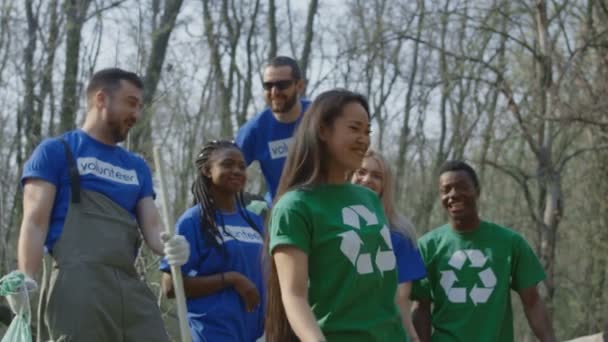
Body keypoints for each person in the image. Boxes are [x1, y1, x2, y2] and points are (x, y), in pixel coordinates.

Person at [9, 68, 190, 342]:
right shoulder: (56, 151)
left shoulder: (137, 166)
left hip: (130, 285)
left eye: (140, 106)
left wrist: (171, 246)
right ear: (101, 99)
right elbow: (35, 221)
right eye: (131, 102)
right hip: (78, 286)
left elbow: (152, 225)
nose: (137, 114)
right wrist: (26, 277)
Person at [266, 89, 407, 342]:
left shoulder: (369, 199)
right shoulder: (294, 207)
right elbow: (294, 294)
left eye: (367, 132)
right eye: (354, 129)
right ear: (322, 130)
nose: (364, 139)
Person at [411, 160, 556, 342]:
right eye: (446, 190)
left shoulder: (510, 243)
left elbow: (533, 302)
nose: (453, 195)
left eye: (461, 187)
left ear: (477, 191)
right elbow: (421, 308)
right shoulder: (427, 247)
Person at [160, 140, 265, 342]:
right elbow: (171, 287)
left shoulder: (253, 221)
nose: (236, 171)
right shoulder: (193, 221)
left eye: (242, 167)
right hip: (213, 333)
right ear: (208, 170)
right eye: (227, 164)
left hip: (255, 333)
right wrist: (232, 279)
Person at [351, 150, 426, 341]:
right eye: (361, 172)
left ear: (386, 185)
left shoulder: (399, 234)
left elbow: (400, 299)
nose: (367, 179)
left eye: (377, 176)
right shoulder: (325, 223)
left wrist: (412, 337)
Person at [236, 56, 311, 203]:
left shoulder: (320, 117)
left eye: (282, 85)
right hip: (281, 211)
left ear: (300, 86)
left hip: (324, 208)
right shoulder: (254, 130)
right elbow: (227, 169)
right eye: (268, 86)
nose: (274, 92)